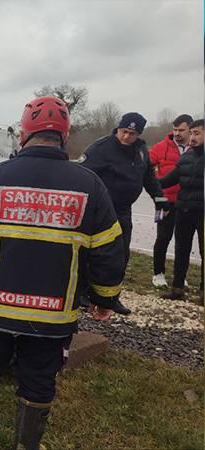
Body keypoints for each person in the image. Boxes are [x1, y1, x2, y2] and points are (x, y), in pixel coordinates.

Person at [0, 96, 124, 450]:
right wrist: (105, 298)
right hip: (53, 315)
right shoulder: (89, 185)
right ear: (65, 135)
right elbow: (108, 251)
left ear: (23, 134)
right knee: (39, 381)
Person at [79, 112, 169, 315]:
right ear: (118, 129)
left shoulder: (141, 151)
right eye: (124, 131)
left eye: (132, 133)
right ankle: (83, 292)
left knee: (120, 254)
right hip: (99, 210)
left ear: (139, 134)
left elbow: (149, 177)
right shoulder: (101, 148)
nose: (127, 137)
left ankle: (111, 298)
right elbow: (82, 174)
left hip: (122, 210)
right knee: (91, 252)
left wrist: (160, 199)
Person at [159, 119, 204, 301]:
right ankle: (177, 289)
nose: (192, 137)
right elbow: (168, 180)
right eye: (191, 133)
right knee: (181, 250)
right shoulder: (186, 157)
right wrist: (147, 180)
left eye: (197, 133)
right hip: (184, 210)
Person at [149, 114, 192, 287]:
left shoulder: (196, 148)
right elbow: (145, 166)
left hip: (186, 202)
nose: (177, 133)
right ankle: (158, 273)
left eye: (181, 130)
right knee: (163, 237)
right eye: (175, 129)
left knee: (183, 241)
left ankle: (180, 276)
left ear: (190, 129)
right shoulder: (160, 147)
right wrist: (154, 187)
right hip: (164, 201)